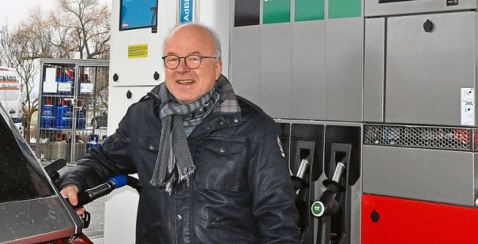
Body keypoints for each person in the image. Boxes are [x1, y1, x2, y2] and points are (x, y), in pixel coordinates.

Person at [59, 22, 300, 243]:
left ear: (217, 67)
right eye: (173, 59)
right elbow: (103, 159)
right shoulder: (143, 117)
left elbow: (277, 217)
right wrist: (74, 182)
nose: (182, 69)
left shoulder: (253, 127)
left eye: (194, 58)